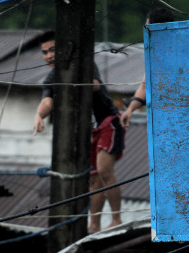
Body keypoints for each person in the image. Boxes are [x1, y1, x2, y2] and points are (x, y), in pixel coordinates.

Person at [33, 31, 124, 233]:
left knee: (104, 171)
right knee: (93, 179)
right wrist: (39, 115)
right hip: (89, 131)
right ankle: (94, 224)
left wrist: (69, 81)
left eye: (53, 50)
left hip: (108, 122)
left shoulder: (84, 64)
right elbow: (47, 100)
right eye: (45, 52)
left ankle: (116, 218)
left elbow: (95, 86)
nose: (48, 56)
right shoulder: (51, 77)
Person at [120, 8, 175, 127]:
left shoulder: (177, 52)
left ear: (154, 28)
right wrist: (130, 110)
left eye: (146, 25)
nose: (144, 29)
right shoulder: (155, 54)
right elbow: (145, 86)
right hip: (163, 119)